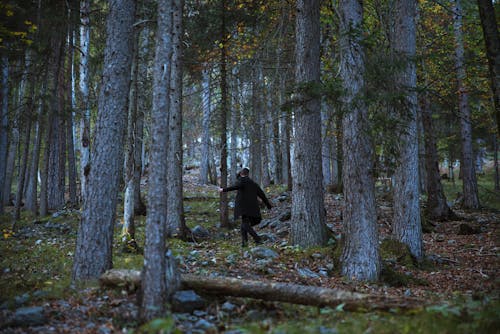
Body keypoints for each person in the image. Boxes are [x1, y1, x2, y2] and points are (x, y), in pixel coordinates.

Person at [218, 167, 272, 247]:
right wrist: (268, 205)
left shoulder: (242, 181)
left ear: (241, 173)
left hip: (243, 207)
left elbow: (236, 187)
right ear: (248, 174)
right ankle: (244, 244)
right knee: (244, 225)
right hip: (252, 208)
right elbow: (262, 195)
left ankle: (257, 239)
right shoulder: (253, 183)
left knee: (245, 225)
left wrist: (223, 190)